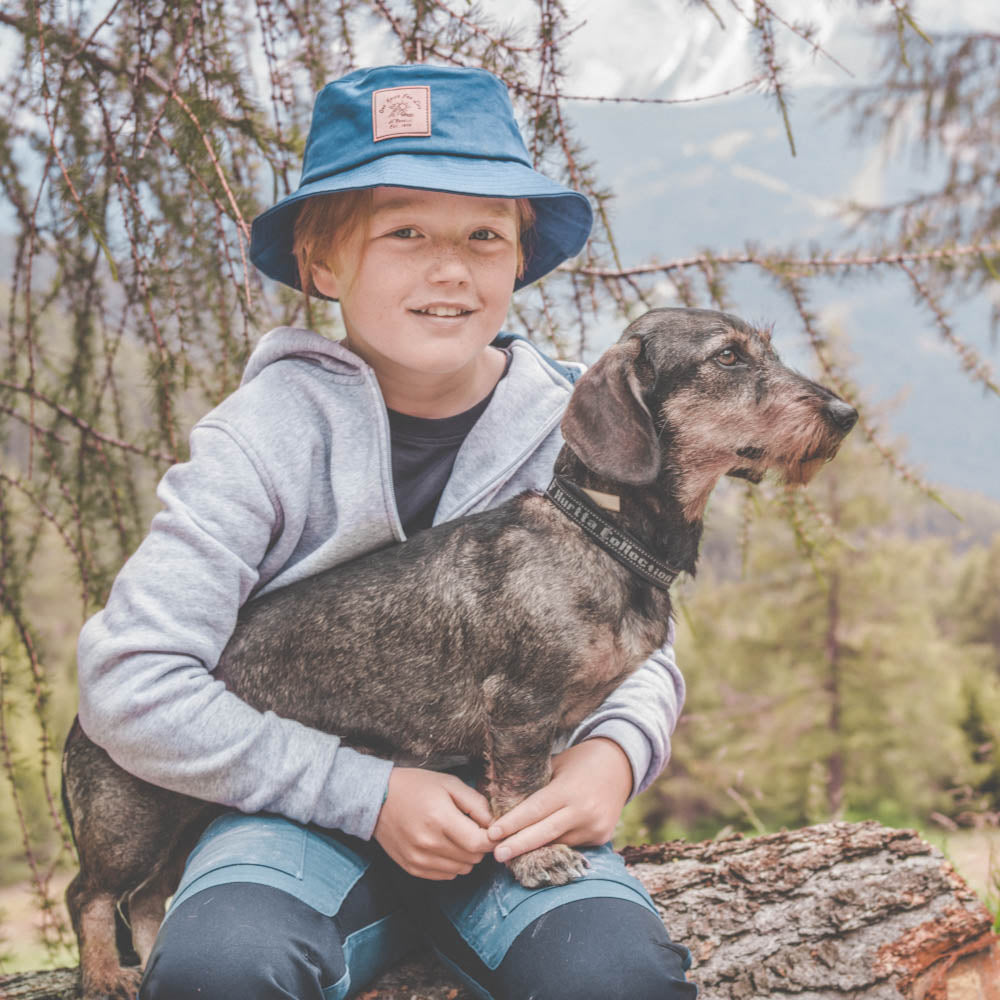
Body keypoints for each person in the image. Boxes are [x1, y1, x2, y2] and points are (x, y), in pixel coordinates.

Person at [76, 63, 696, 999]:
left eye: (484, 235)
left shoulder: (586, 429)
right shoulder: (258, 443)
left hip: (513, 818)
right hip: (292, 820)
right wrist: (363, 795)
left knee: (612, 979)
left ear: (519, 258)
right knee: (221, 972)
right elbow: (130, 681)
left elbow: (639, 641)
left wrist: (612, 757)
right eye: (404, 231)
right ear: (325, 264)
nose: (450, 267)